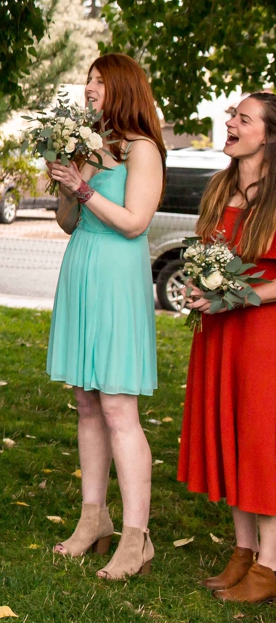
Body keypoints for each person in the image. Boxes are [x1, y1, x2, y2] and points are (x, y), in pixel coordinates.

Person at [45, 54, 164, 579]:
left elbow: (135, 223)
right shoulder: (92, 147)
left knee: (118, 407)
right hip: (83, 266)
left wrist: (87, 186)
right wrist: (66, 185)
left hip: (117, 273)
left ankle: (138, 537)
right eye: (87, 81)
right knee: (86, 402)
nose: (89, 89)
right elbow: (71, 223)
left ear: (123, 88)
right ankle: (94, 518)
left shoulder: (143, 151)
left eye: (98, 82)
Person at [179, 92, 276, 603]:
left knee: (262, 442)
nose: (231, 122)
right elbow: (208, 254)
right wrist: (201, 288)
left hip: (263, 333)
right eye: (231, 115)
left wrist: (240, 298)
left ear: (270, 135)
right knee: (231, 433)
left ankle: (270, 563)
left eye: (243, 118)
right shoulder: (220, 186)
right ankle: (242, 551)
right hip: (218, 332)